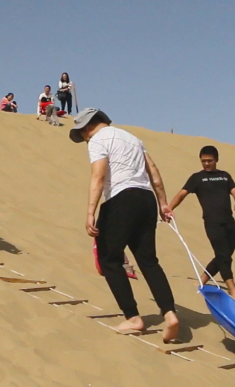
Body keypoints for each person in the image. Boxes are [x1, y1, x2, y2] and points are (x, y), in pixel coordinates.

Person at [70, 108, 179, 342]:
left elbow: (98, 176)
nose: (85, 138)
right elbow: (155, 174)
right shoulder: (133, 139)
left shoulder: (98, 140)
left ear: (89, 126)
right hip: (146, 199)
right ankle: (169, 313)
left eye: (83, 133)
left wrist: (90, 212)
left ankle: (132, 317)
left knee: (109, 259)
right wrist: (163, 204)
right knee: (148, 260)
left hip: (120, 198)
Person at [169, 146, 235, 301]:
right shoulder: (197, 178)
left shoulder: (225, 176)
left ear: (216, 160)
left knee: (225, 254)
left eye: (210, 160)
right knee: (224, 256)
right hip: (212, 222)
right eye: (203, 161)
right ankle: (233, 289)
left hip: (229, 221)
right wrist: (169, 208)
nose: (206, 164)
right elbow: (182, 194)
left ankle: (203, 279)